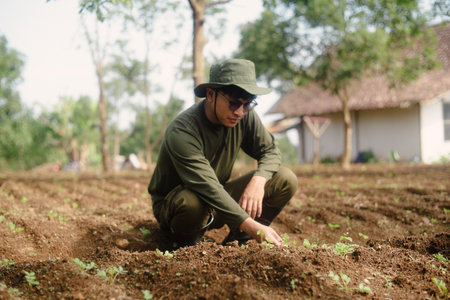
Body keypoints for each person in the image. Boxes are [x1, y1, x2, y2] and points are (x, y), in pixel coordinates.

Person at [148, 58, 297, 249]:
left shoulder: (244, 115)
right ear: (210, 95)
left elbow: (270, 151)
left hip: (216, 199)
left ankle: (239, 243)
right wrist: (253, 226)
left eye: (248, 104)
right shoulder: (183, 130)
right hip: (179, 206)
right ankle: (186, 247)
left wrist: (259, 180)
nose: (241, 112)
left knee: (285, 178)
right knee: (193, 202)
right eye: (234, 103)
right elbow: (206, 186)